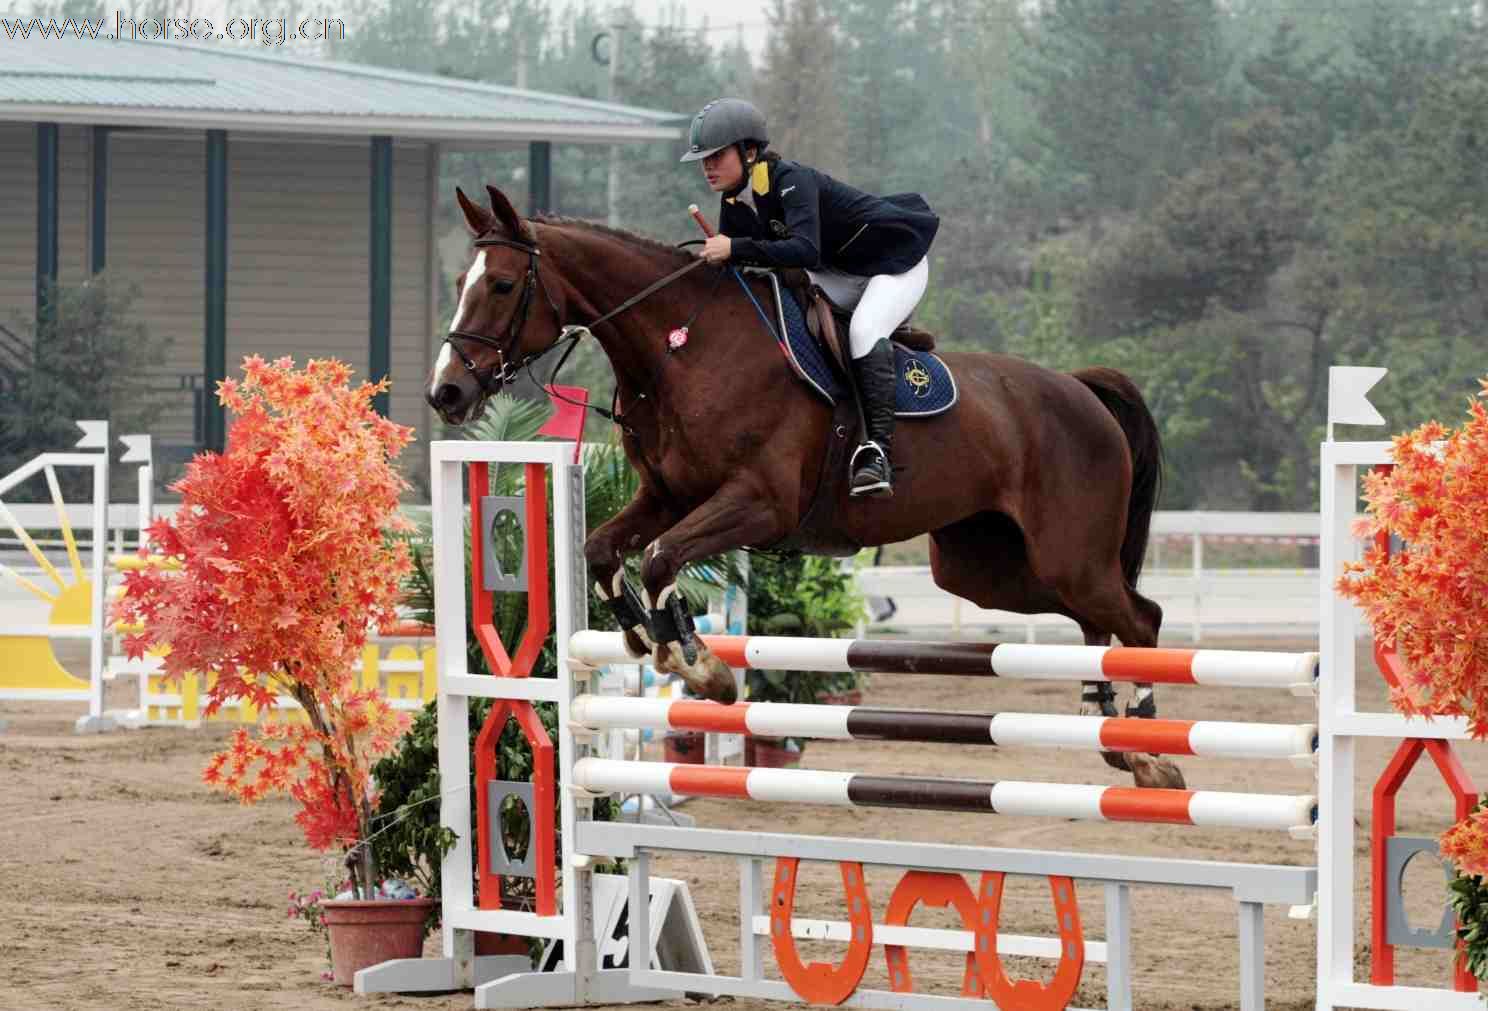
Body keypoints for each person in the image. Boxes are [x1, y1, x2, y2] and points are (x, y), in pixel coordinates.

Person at [681, 98, 939, 499]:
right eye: (703, 159)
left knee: (865, 330)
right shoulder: (735, 202)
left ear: (749, 152)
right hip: (838, 273)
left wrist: (734, 248)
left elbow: (804, 252)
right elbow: (745, 268)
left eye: (717, 155)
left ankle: (877, 453)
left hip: (892, 263)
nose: (708, 166)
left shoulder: (790, 180)